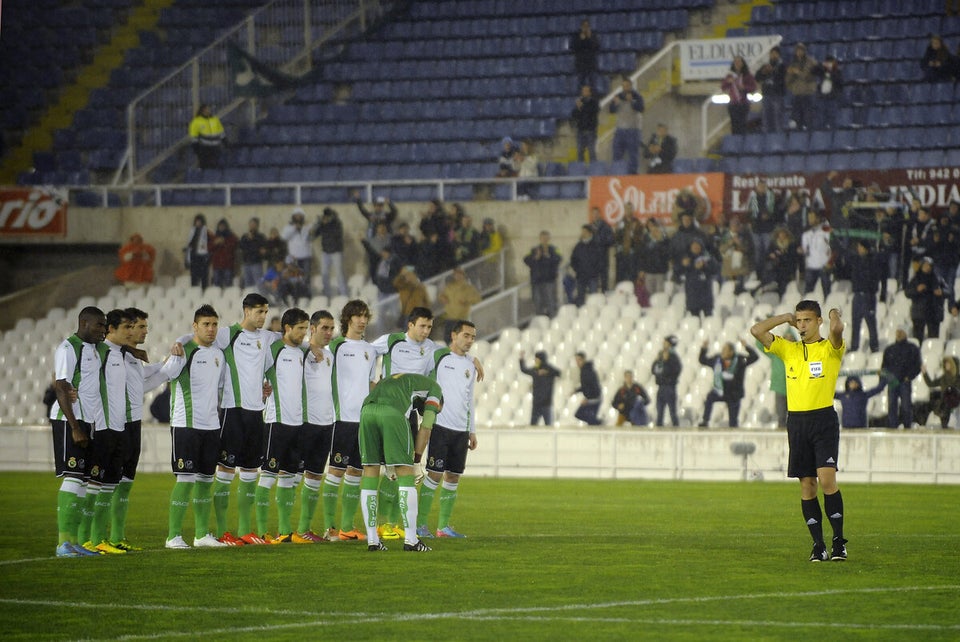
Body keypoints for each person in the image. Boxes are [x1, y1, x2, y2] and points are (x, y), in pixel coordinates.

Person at [751, 300, 848, 562]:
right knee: (807, 486)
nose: (802, 325)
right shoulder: (788, 349)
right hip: (797, 422)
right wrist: (784, 317)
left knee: (827, 480)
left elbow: (837, 327)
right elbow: (756, 331)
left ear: (818, 322)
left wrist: (831, 313)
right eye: (800, 320)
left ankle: (838, 540)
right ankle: (819, 545)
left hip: (823, 420)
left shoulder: (830, 349)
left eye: (808, 320)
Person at [199, 293, 273, 546]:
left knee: (251, 471)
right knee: (226, 470)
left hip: (256, 412)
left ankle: (244, 530)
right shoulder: (228, 334)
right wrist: (179, 343)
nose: (263, 317)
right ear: (246, 311)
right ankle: (222, 532)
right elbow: (197, 338)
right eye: (259, 312)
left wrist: (267, 386)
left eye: (265, 312)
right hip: (233, 410)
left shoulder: (266, 338)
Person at [161, 304, 228, 549]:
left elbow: (221, 388)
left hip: (211, 425)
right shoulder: (183, 351)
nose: (211, 329)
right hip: (185, 424)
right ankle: (173, 536)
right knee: (186, 479)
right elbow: (164, 374)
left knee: (205, 480)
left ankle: (201, 535)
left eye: (214, 324)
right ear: (195, 326)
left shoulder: (219, 355)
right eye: (206, 324)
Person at [357, 373, 442, 553]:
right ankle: (411, 540)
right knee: (405, 476)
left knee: (370, 471)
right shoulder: (436, 389)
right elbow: (426, 427)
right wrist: (417, 460)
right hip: (392, 414)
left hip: (366, 411)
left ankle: (373, 540)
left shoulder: (399, 379)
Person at [50, 306, 107, 558]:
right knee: (73, 478)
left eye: (105, 326)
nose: (102, 331)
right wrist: (74, 427)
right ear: (84, 322)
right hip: (70, 420)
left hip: (89, 419)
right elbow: (61, 385)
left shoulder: (94, 350)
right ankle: (63, 543)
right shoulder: (68, 348)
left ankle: (74, 542)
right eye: (98, 325)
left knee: (83, 481)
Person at [80, 309, 137, 555]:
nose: (132, 332)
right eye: (127, 327)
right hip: (102, 428)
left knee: (110, 484)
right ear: (111, 329)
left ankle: (100, 538)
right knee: (93, 483)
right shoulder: (98, 353)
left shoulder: (122, 355)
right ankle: (85, 540)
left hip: (120, 427)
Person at [417, 320, 478, 539]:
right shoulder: (438, 356)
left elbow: (470, 399)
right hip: (441, 425)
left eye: (472, 337)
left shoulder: (471, 365)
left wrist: (472, 430)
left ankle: (443, 527)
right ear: (454, 335)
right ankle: (420, 524)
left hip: (461, 429)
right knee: (434, 474)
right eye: (466, 335)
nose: (470, 340)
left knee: (453, 477)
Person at [323, 300, 379, 541]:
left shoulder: (370, 350)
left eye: (365, 315)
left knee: (356, 472)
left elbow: (369, 382)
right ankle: (330, 527)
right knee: (335, 471)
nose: (362, 320)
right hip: (341, 418)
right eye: (357, 315)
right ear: (347, 319)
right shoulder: (334, 346)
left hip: (363, 420)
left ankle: (347, 527)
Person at [255, 308, 311, 544]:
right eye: (300, 329)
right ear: (287, 328)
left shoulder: (303, 353)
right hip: (276, 421)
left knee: (289, 477)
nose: (304, 334)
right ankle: (259, 532)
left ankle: (285, 532)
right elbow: (255, 373)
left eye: (306, 329)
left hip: (297, 423)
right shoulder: (273, 350)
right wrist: (262, 388)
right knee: (267, 476)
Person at [111, 307, 166, 551]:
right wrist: (168, 368)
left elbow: (141, 383)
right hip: (114, 423)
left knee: (125, 481)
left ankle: (116, 536)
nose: (143, 331)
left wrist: (166, 366)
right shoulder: (109, 354)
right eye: (139, 326)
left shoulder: (130, 355)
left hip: (133, 422)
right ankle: (94, 537)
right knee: (106, 483)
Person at [296, 310, 337, 542]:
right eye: (324, 328)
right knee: (289, 476)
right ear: (312, 328)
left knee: (314, 477)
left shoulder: (330, 354)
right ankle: (283, 531)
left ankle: (303, 530)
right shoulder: (298, 351)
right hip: (304, 422)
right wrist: (306, 346)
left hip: (325, 423)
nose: (329, 333)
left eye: (332, 328)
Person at [697, 339, 759, 428]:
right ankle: (705, 420)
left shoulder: (740, 360)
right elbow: (702, 360)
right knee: (709, 398)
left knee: (733, 421)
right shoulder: (717, 360)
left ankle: (733, 429)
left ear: (731, 351)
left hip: (734, 393)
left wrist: (746, 347)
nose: (722, 352)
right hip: (720, 390)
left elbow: (755, 357)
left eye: (725, 350)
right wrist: (704, 348)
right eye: (722, 349)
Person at [881, 326, 922, 428]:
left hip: (905, 381)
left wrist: (909, 376)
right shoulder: (889, 349)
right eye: (897, 332)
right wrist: (887, 378)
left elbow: (917, 365)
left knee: (906, 406)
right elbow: (884, 366)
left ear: (905, 333)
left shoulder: (912, 348)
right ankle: (892, 428)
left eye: (901, 331)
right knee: (892, 406)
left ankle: (907, 427)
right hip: (892, 382)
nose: (898, 334)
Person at [846, 239, 881, 353]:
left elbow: (874, 278)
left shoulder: (873, 261)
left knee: (870, 322)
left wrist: (870, 291)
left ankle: (874, 346)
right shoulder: (856, 260)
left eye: (860, 247)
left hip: (868, 295)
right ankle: (854, 346)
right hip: (857, 295)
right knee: (855, 322)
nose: (858, 249)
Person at [905, 256, 946, 341]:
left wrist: (941, 292)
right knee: (917, 339)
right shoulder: (916, 279)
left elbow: (948, 291)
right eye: (925, 265)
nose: (928, 267)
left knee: (933, 339)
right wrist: (917, 290)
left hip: (933, 312)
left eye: (929, 266)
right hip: (919, 313)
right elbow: (907, 292)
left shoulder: (937, 278)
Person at [609, 78, 644, 174]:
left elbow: (641, 108)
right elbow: (611, 110)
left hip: (633, 130)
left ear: (631, 86)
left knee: (633, 155)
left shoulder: (637, 96)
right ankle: (617, 172)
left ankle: (632, 174)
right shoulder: (618, 96)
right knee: (617, 153)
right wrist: (614, 104)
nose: (625, 88)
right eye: (623, 86)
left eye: (627, 86)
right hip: (620, 130)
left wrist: (632, 101)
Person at [524, 230, 562, 318]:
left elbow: (559, 259)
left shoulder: (554, 249)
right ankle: (540, 318)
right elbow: (526, 260)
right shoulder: (534, 250)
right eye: (543, 238)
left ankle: (552, 318)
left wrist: (548, 255)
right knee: (537, 301)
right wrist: (536, 257)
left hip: (549, 280)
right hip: (537, 280)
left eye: (546, 238)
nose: (544, 240)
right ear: (540, 239)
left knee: (551, 300)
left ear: (549, 239)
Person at [312, 207, 348, 298]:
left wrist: (327, 223)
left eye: (328, 216)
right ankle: (327, 293)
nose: (326, 218)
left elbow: (337, 233)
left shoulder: (336, 223)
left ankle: (343, 293)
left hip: (336, 252)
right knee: (324, 273)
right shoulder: (322, 224)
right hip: (326, 252)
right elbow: (314, 235)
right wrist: (318, 224)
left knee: (339, 273)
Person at [678, 239, 719, 317]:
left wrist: (705, 266)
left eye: (698, 245)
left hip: (706, 295)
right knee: (694, 319)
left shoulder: (708, 257)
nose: (696, 247)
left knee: (708, 317)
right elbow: (678, 271)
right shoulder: (686, 259)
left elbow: (715, 269)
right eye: (693, 246)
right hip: (692, 295)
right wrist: (687, 266)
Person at [519, 350, 561, 426]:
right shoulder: (535, 370)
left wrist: (547, 372)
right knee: (533, 426)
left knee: (549, 426)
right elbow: (524, 370)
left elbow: (559, 373)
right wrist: (521, 359)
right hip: (536, 403)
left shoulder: (549, 369)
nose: (535, 360)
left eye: (537, 359)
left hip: (546, 404)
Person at [721, 55, 757, 135]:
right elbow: (723, 87)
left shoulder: (747, 75)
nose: (737, 64)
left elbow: (753, 87)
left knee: (743, 124)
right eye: (735, 62)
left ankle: (742, 142)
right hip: (733, 103)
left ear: (743, 63)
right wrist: (728, 82)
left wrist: (744, 87)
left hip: (743, 103)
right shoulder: (729, 76)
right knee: (734, 125)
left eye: (739, 62)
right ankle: (736, 141)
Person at [786, 43, 818, 131]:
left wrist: (798, 72)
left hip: (808, 92)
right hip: (797, 93)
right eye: (797, 50)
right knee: (797, 116)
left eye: (801, 50)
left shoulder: (811, 62)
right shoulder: (792, 64)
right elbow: (787, 80)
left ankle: (810, 133)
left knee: (808, 115)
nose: (799, 52)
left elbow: (811, 76)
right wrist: (790, 74)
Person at [921, 356, 960, 429]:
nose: (947, 366)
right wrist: (925, 373)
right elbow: (931, 384)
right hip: (944, 402)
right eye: (946, 364)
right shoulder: (943, 378)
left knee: (946, 405)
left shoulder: (957, 378)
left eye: (948, 364)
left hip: (954, 401)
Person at [801, 210, 833, 298]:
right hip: (811, 266)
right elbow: (804, 250)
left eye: (812, 217)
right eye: (809, 218)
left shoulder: (826, 231)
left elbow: (832, 246)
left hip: (823, 265)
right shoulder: (806, 234)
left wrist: (829, 262)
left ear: (818, 218)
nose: (810, 220)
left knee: (826, 290)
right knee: (808, 292)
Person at [570, 224, 604, 306]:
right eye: (582, 232)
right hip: (581, 277)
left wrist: (596, 271)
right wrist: (577, 270)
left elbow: (600, 261)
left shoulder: (596, 246)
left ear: (590, 233)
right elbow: (573, 260)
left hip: (593, 277)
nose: (583, 234)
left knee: (593, 299)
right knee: (580, 298)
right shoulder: (578, 246)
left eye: (585, 232)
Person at [755, 45, 786, 133]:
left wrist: (773, 71)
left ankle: (778, 140)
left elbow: (783, 79)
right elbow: (757, 78)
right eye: (771, 53)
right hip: (766, 95)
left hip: (777, 95)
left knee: (777, 119)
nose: (773, 55)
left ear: (779, 55)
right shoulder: (765, 66)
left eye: (775, 53)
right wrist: (763, 72)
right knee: (766, 118)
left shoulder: (782, 66)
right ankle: (767, 140)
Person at [281, 208, 313, 294]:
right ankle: (296, 295)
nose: (298, 217)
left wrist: (306, 230)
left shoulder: (307, 227)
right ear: (293, 217)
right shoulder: (288, 228)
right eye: (296, 216)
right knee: (294, 277)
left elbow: (310, 238)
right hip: (294, 258)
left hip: (306, 256)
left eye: (300, 216)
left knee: (306, 277)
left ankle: (306, 294)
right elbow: (284, 237)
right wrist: (295, 228)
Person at [652, 336, 682, 427]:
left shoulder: (674, 357)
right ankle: (658, 432)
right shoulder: (661, 355)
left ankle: (676, 431)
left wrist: (666, 361)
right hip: (661, 387)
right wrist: (656, 361)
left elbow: (673, 371)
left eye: (665, 343)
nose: (663, 345)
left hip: (670, 387)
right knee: (659, 413)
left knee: (672, 413)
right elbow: (654, 371)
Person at [188, 104, 225, 169]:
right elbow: (194, 136)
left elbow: (221, 132)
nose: (208, 111)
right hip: (205, 149)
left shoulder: (215, 120)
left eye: (208, 109)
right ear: (202, 110)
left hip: (216, 148)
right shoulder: (196, 121)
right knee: (205, 167)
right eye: (206, 109)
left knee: (216, 167)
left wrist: (225, 141)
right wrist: (196, 148)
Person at [571, 85, 600, 163]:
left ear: (590, 92)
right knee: (580, 151)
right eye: (583, 91)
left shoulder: (594, 102)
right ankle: (581, 170)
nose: (584, 92)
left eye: (586, 90)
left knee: (591, 151)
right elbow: (574, 115)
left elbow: (592, 111)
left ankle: (594, 169)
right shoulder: (580, 102)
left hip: (591, 130)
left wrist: (582, 107)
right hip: (580, 130)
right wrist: (578, 108)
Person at [813, 55, 843, 130]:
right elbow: (813, 71)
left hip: (832, 99)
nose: (829, 64)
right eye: (827, 62)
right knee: (820, 121)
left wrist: (831, 71)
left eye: (831, 62)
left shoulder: (837, 72)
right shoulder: (821, 71)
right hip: (822, 99)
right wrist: (822, 66)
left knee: (833, 120)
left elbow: (840, 83)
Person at [570, 18, 600, 90]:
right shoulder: (576, 35)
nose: (585, 28)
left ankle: (593, 95)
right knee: (580, 82)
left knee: (592, 82)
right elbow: (573, 47)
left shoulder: (593, 35)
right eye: (584, 26)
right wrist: (581, 39)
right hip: (580, 63)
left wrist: (590, 38)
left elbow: (597, 47)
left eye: (587, 26)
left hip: (591, 63)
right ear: (581, 27)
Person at [574, 351, 603, 426]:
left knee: (581, 415)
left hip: (594, 398)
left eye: (579, 360)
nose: (577, 362)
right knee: (583, 416)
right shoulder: (584, 370)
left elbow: (593, 386)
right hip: (592, 398)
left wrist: (588, 399)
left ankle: (600, 424)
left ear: (583, 360)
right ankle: (598, 423)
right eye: (576, 360)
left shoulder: (587, 371)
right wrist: (576, 391)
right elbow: (585, 386)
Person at [184, 213, 211, 290]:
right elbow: (190, 244)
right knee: (194, 276)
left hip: (202, 257)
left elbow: (210, 243)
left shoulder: (206, 232)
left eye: (199, 221)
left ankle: (204, 290)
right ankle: (194, 290)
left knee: (203, 276)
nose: (198, 223)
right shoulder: (192, 231)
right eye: (197, 221)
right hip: (194, 257)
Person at [210, 218, 238, 288]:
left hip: (227, 265)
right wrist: (215, 243)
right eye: (220, 226)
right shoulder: (214, 237)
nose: (221, 228)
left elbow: (234, 246)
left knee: (228, 285)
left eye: (223, 226)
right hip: (217, 265)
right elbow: (209, 248)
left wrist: (224, 242)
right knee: (216, 285)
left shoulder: (231, 236)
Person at [238, 217, 267, 288]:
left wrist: (253, 240)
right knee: (247, 284)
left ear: (257, 226)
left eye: (253, 224)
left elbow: (261, 249)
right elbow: (241, 247)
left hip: (256, 263)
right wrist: (248, 240)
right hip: (246, 263)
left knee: (259, 284)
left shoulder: (261, 237)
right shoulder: (244, 237)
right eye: (250, 224)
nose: (252, 226)